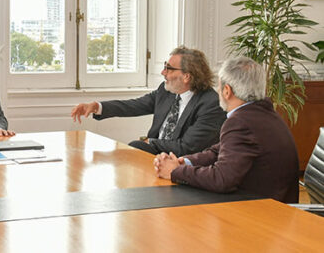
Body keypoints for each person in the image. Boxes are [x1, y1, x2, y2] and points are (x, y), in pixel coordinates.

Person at [153, 57, 299, 203]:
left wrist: (175, 172)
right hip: (274, 204)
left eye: (219, 87)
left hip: (261, 212)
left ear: (227, 91)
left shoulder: (241, 122)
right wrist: (184, 162)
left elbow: (222, 179)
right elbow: (219, 151)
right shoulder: (263, 113)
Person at [71, 46, 226, 156]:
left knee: (135, 148)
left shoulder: (211, 104)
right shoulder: (166, 92)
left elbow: (187, 147)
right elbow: (134, 105)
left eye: (169, 68)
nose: (162, 72)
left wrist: (150, 142)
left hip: (181, 162)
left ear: (187, 76)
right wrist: (97, 106)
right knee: (129, 152)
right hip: (157, 154)